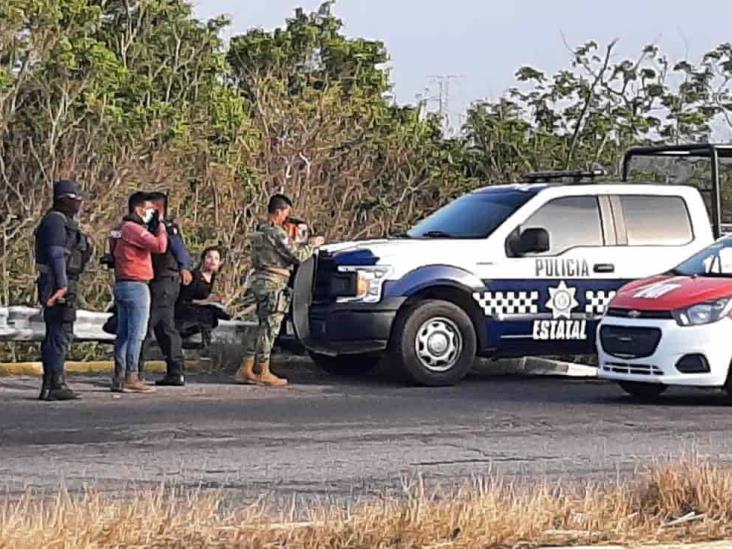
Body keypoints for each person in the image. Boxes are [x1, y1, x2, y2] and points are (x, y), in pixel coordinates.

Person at [234, 194, 324, 387]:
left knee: (261, 325)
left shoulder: (259, 231)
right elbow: (297, 256)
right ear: (279, 211)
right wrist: (312, 244)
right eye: (286, 213)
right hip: (274, 282)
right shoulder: (276, 233)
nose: (286, 218)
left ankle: (246, 367)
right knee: (270, 327)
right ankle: (261, 370)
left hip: (260, 280)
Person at [34, 180, 92, 401]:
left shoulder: (63, 222)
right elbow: (57, 254)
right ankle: (54, 383)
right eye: (75, 199)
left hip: (64, 280)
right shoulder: (55, 221)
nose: (78, 203)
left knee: (60, 332)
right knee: (59, 333)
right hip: (57, 281)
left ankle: (53, 382)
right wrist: (62, 284)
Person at [112, 192, 168, 393]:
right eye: (148, 209)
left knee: (123, 333)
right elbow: (160, 246)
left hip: (121, 282)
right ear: (138, 209)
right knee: (137, 333)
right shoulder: (133, 229)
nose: (151, 213)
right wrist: (160, 225)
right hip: (136, 284)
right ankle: (131, 375)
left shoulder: (118, 229)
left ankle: (119, 375)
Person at [139, 192, 193, 387]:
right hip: (157, 281)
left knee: (146, 325)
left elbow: (179, 248)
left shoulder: (167, 227)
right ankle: (175, 370)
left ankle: (134, 371)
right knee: (165, 328)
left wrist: (184, 266)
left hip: (165, 281)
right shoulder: (148, 227)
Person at [175, 246, 230, 346]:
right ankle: (202, 342)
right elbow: (184, 300)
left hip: (199, 306)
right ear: (203, 259)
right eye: (209, 257)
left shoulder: (213, 277)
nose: (212, 261)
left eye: (216, 258)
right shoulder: (195, 276)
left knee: (222, 315)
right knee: (208, 314)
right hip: (185, 308)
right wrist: (206, 301)